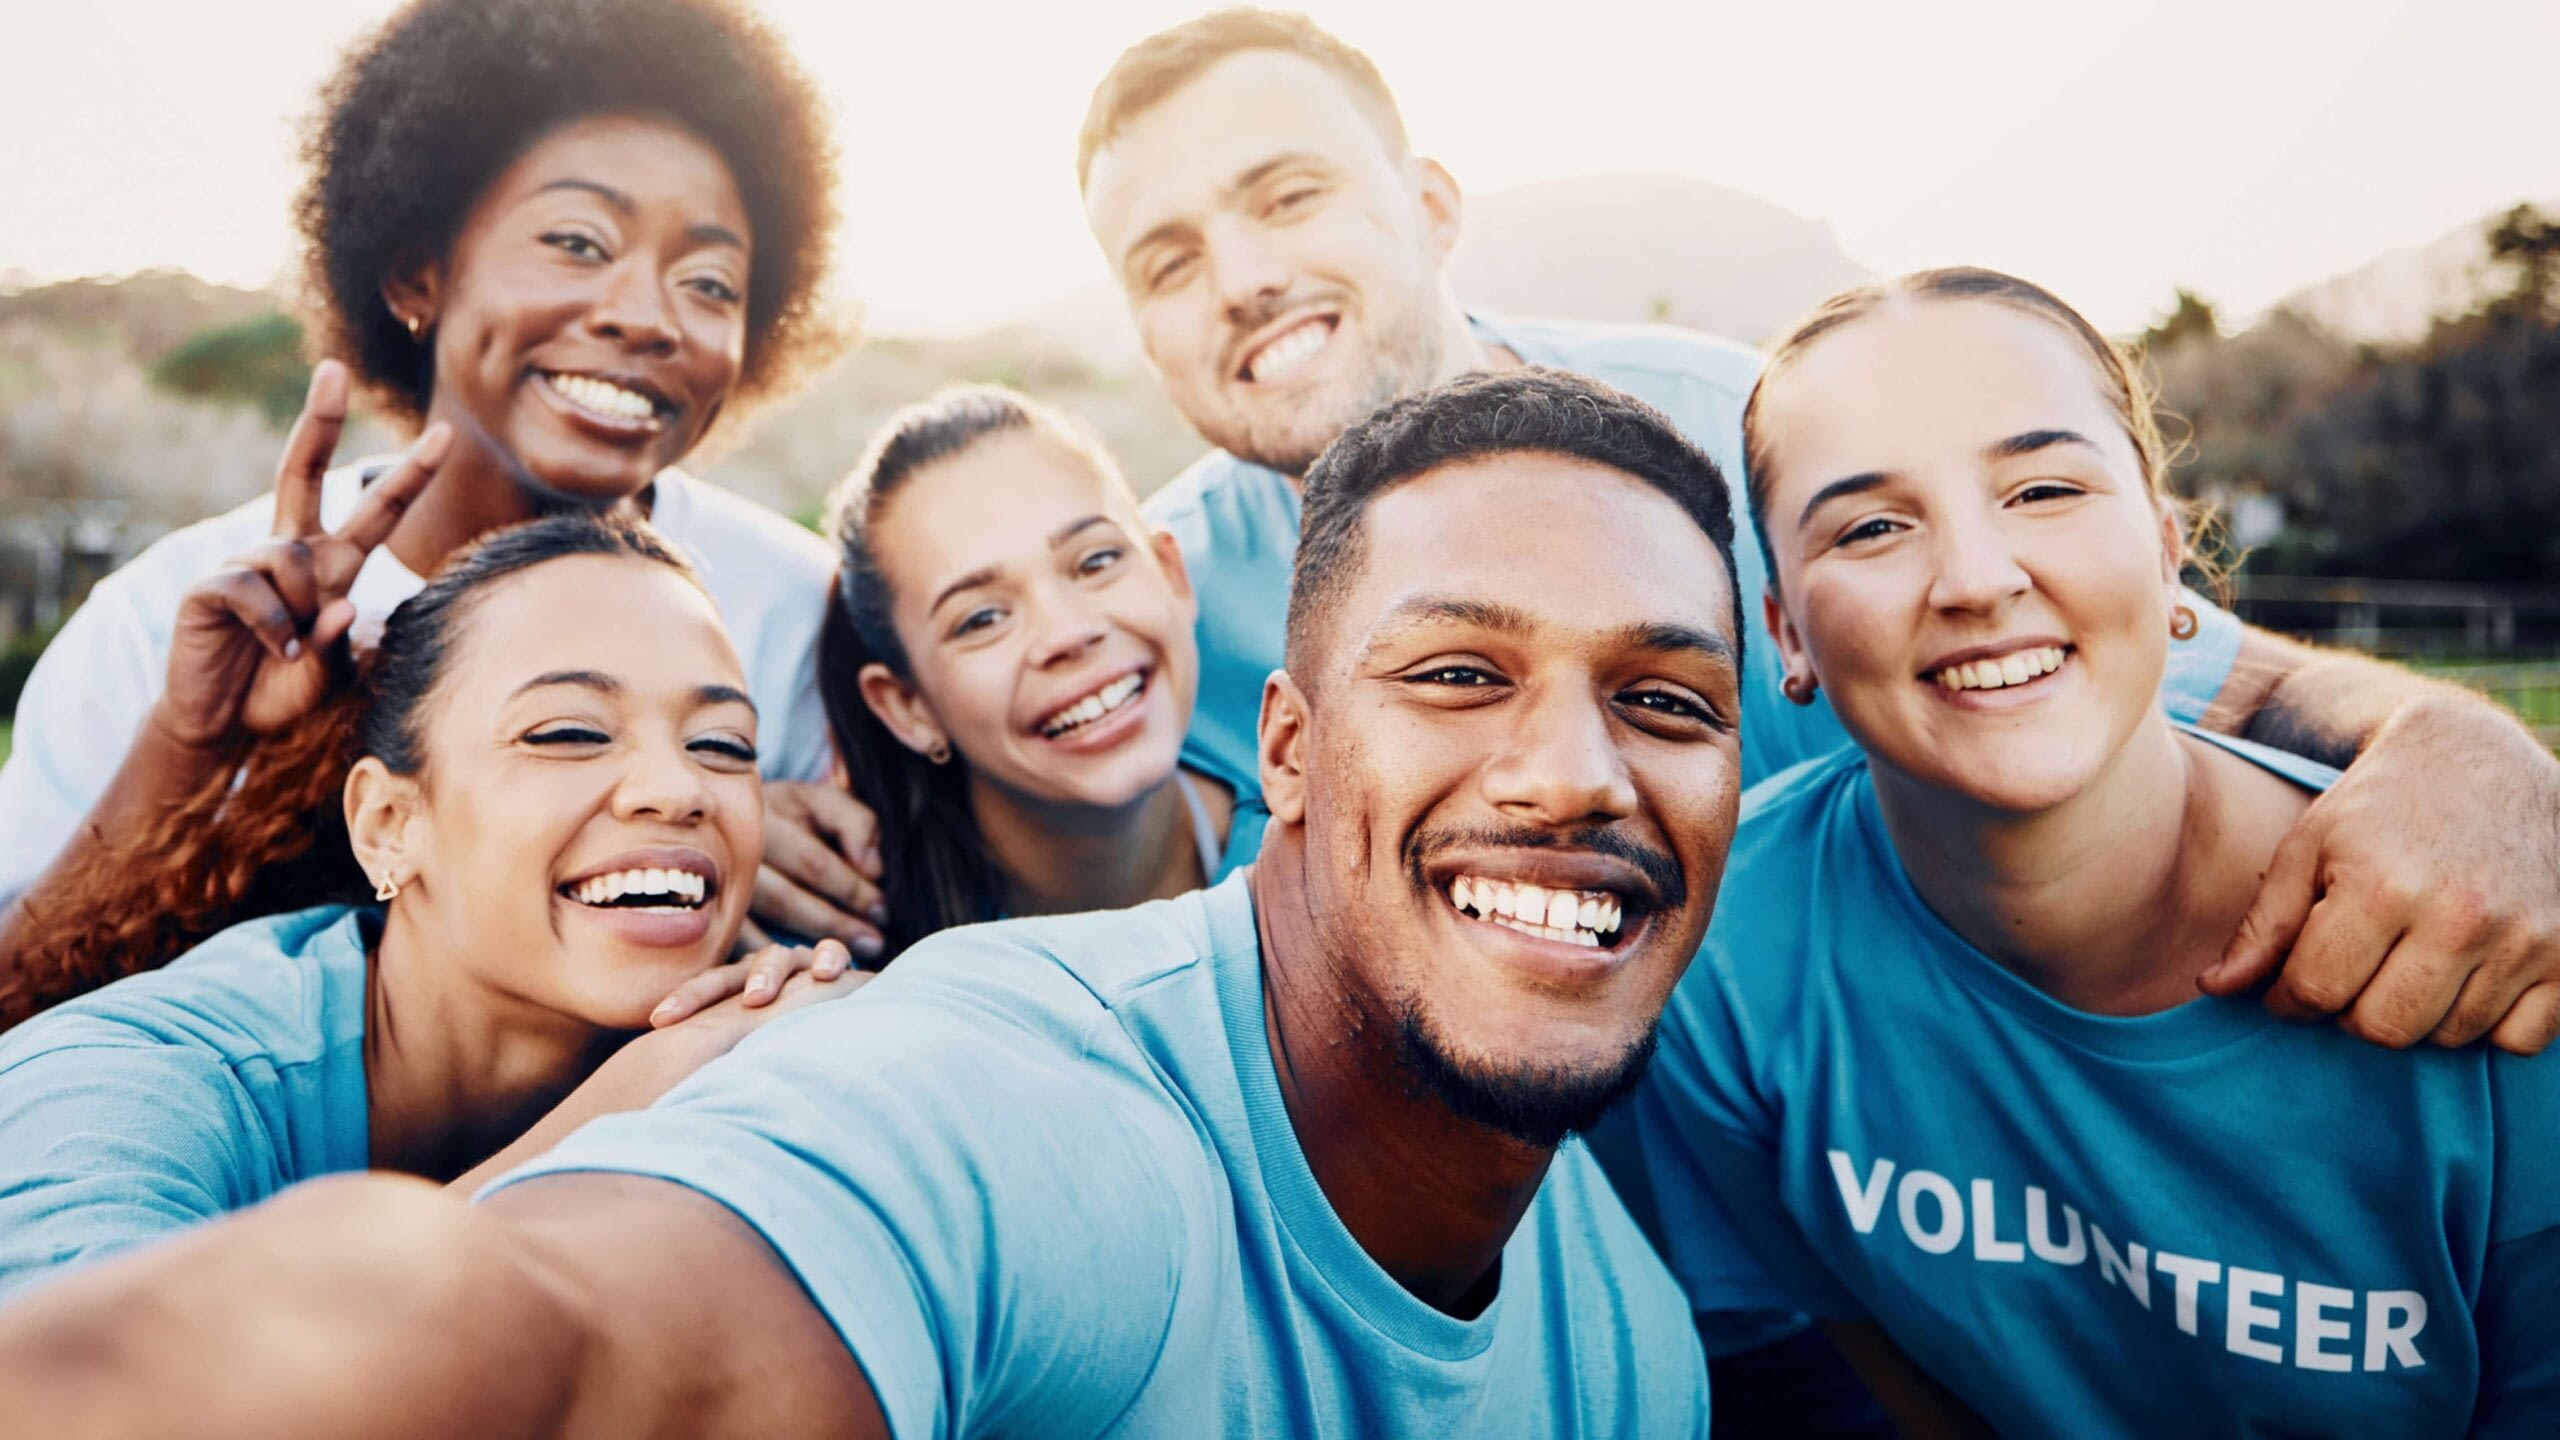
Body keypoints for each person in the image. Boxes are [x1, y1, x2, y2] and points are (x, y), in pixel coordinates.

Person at [0, 369, 1741, 1439]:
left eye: (717, 745)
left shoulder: (1634, 1352)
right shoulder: (996, 1085)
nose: (1574, 774)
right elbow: (545, 1331)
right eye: (1453, 675)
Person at [1062, 7, 2560, 1066]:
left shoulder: (1740, 431)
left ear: (1432, 205)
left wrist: (2465, 751)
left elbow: (2187, 673)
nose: (1242, 276)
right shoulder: (1155, 609)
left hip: (1875, 1196)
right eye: (1169, 258)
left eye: (1288, 195)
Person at [1598, 269, 2560, 1436]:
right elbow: (1903, 1367)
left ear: (2168, 556)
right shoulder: (1718, 956)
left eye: (2043, 489)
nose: (1974, 579)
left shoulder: (2487, 940)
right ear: (1786, 631)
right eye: (1871, 526)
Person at [0, 0, 894, 973]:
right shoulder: (176, 622)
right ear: (414, 275)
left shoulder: (800, 613)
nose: (646, 316)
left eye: (711, 283)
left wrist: (697, 838)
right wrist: (193, 753)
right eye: (577, 242)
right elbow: (18, 1001)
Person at [0, 513, 861, 1307]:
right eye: (567, 732)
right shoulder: (132, 1083)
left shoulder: (772, 1041)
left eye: (723, 746)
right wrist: (620, 1112)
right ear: (388, 824)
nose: (678, 790)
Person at [818, 386, 1262, 960]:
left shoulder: (1331, 851)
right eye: (982, 619)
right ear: (909, 708)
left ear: (1172, 576)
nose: (1067, 634)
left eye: (1096, 561)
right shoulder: (860, 973)